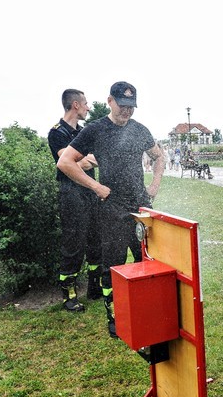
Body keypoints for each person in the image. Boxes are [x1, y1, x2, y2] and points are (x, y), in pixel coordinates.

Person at [57, 81, 166, 338]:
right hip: (112, 206)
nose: (126, 111)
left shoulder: (140, 130)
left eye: (131, 107)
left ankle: (147, 309)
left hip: (140, 205)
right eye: (122, 106)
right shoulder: (95, 130)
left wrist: (155, 185)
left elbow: (158, 156)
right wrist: (95, 186)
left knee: (146, 260)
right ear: (109, 101)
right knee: (114, 264)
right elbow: (65, 162)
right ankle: (115, 315)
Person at [47, 89, 102, 312]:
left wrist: (81, 162)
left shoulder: (84, 132)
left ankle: (95, 287)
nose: (89, 107)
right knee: (73, 244)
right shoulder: (56, 133)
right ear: (76, 105)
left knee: (96, 240)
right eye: (86, 103)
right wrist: (81, 161)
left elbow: (92, 161)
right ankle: (69, 295)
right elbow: (67, 163)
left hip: (90, 191)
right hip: (70, 194)